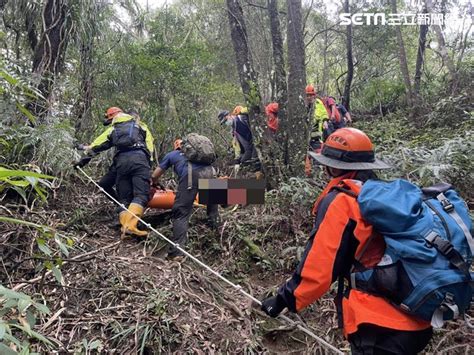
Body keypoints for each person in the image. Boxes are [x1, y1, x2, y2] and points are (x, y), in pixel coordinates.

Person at [260, 128, 433, 355]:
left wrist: (283, 300)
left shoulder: (344, 201)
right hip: (419, 317)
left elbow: (319, 268)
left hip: (379, 323)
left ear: (333, 166)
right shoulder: (386, 193)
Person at [74, 107, 155, 237]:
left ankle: (125, 226)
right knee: (140, 195)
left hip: (121, 162)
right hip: (140, 160)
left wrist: (83, 161)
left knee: (124, 198)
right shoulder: (141, 127)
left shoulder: (113, 129)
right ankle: (131, 226)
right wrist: (148, 165)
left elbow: (96, 147)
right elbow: (150, 148)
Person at [151, 138, 219, 261]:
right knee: (212, 209)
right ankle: (215, 237)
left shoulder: (172, 155)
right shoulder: (201, 155)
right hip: (210, 172)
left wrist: (154, 182)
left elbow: (155, 175)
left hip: (191, 175)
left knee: (180, 213)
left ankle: (177, 252)